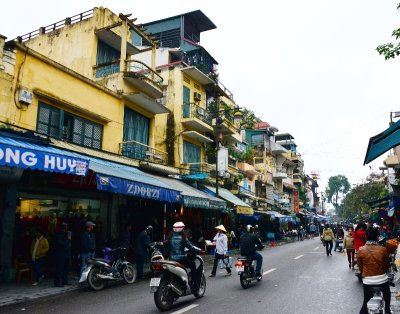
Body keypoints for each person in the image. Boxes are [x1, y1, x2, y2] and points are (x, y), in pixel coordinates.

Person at [358, 227, 391, 314]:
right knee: (387, 295)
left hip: (367, 281)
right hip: (382, 280)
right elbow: (387, 266)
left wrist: (364, 274)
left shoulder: (361, 250)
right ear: (377, 237)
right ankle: (387, 309)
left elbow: (360, 267)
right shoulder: (383, 249)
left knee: (365, 301)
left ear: (366, 237)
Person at [168, 221, 203, 290]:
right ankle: (195, 286)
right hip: (181, 258)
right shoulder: (183, 238)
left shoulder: (170, 237)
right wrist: (200, 250)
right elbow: (191, 247)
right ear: (181, 229)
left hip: (171, 259)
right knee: (193, 265)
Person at [54, 222, 71, 287]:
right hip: (60, 254)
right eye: (66, 227)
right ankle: (57, 283)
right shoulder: (59, 235)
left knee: (65, 268)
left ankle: (65, 281)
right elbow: (61, 244)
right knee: (59, 269)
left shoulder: (65, 234)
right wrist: (68, 239)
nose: (67, 228)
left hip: (66, 253)